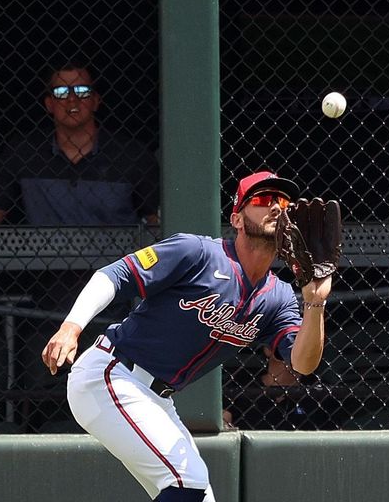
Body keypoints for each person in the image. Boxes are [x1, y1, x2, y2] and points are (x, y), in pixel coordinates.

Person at [41, 171, 333, 501]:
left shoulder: (278, 297)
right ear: (236, 218)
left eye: (284, 203)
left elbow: (303, 364)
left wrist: (315, 300)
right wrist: (71, 326)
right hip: (112, 374)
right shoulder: (197, 252)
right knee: (187, 481)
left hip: (157, 398)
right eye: (265, 200)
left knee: (200, 495)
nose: (277, 208)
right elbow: (115, 275)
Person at [0, 61, 159, 226]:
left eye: (82, 91)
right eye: (61, 92)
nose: (72, 99)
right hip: (44, 263)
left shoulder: (131, 155)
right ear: (49, 104)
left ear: (96, 101)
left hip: (115, 264)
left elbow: (157, 219)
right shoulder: (25, 152)